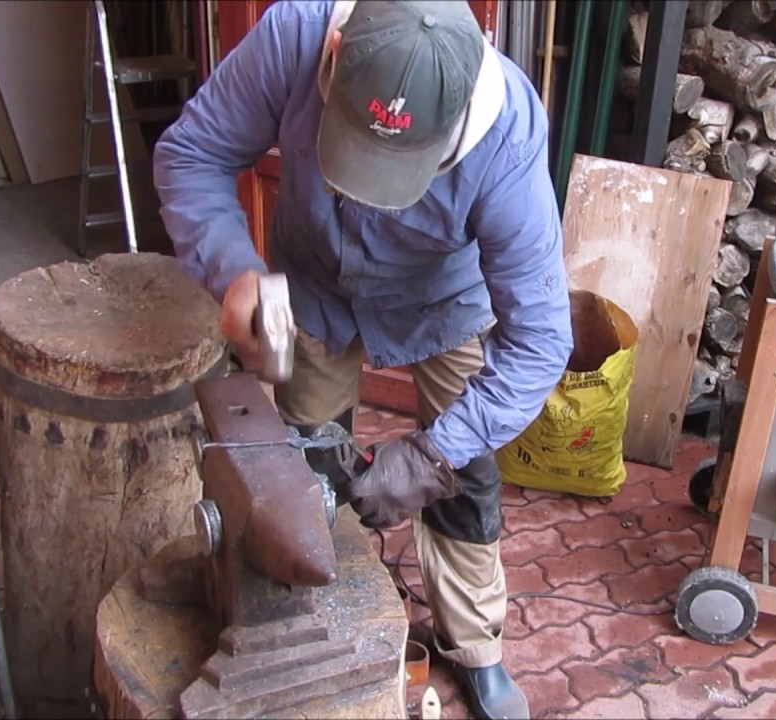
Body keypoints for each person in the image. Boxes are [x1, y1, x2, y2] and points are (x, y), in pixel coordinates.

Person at [153, 1, 573, 717]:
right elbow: (192, 153)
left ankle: (474, 643)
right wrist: (233, 269)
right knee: (306, 465)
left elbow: (540, 340)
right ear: (336, 51)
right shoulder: (294, 35)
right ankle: (323, 617)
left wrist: (436, 453)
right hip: (315, 284)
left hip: (444, 299)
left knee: (463, 474)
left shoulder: (507, 131)